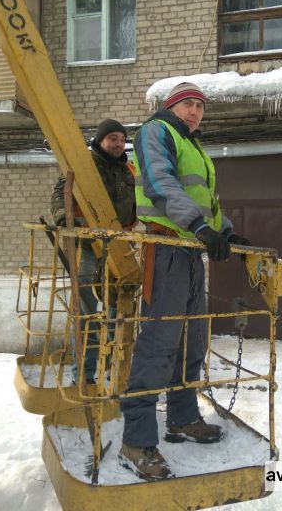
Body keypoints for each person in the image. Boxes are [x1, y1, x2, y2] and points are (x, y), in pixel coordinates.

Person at [118, 83, 250, 481]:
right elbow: (161, 185)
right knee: (159, 343)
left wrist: (224, 232)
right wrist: (197, 227)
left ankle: (182, 417)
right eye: (188, 105)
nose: (195, 112)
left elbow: (208, 201)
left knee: (193, 339)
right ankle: (137, 440)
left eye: (199, 107)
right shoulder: (156, 131)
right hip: (168, 247)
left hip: (192, 252)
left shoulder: (195, 147)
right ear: (171, 106)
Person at [50, 119, 136, 384]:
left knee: (117, 311)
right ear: (100, 141)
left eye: (122, 139)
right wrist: (64, 217)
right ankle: (84, 378)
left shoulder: (129, 170)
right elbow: (59, 193)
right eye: (113, 138)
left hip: (120, 247)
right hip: (88, 247)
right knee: (86, 313)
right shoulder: (83, 164)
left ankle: (111, 371)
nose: (119, 143)